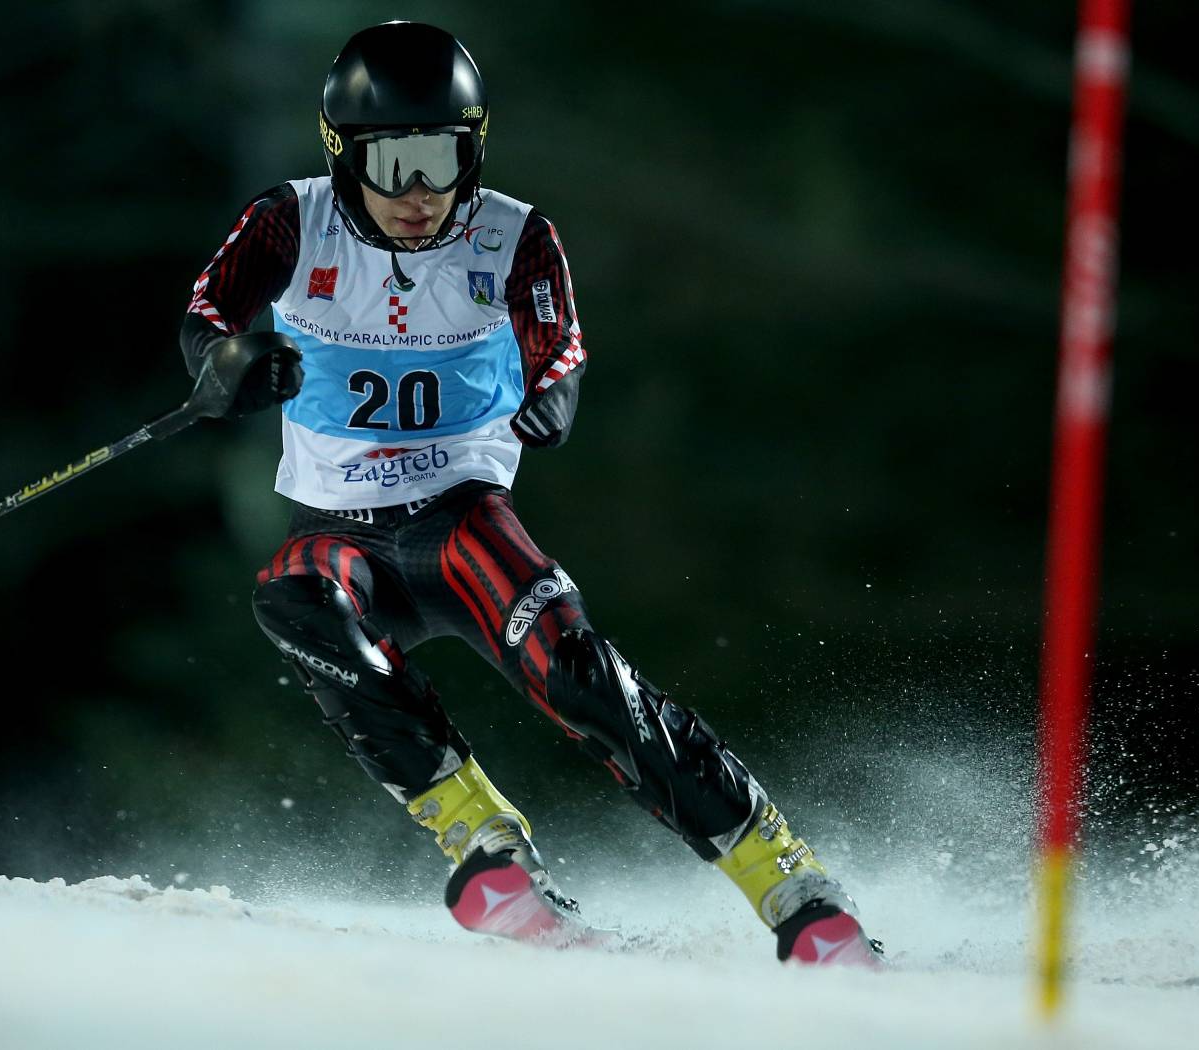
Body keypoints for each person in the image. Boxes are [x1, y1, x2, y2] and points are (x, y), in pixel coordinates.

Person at [180, 20, 880, 964]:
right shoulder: (288, 221)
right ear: (345, 155)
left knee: (577, 677)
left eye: (444, 158)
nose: (421, 193)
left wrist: (554, 391)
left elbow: (562, 349)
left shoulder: (513, 233)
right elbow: (210, 316)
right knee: (294, 598)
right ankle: (483, 844)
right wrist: (227, 365)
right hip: (342, 529)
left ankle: (790, 882)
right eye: (395, 164)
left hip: (457, 520)